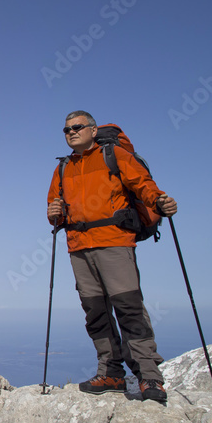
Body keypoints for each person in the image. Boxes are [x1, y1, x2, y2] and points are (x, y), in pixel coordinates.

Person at [46, 111, 177, 403]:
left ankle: (149, 377)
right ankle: (112, 373)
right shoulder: (63, 168)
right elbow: (54, 205)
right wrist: (53, 214)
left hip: (114, 241)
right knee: (95, 312)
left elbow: (141, 183)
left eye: (77, 127)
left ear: (93, 130)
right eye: (66, 129)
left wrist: (159, 200)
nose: (71, 132)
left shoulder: (113, 154)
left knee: (128, 308)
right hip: (78, 245)